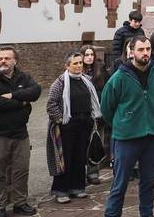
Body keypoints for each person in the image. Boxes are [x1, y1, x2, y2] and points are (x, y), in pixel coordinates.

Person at [101, 36, 154, 217]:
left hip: (152, 137)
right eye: (141, 49)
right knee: (120, 184)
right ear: (131, 52)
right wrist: (124, 122)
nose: (145, 53)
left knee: (148, 183)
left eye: (148, 49)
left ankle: (147, 214)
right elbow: (106, 108)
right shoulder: (119, 78)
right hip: (126, 139)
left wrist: (153, 118)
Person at [0, 46, 41, 217]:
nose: (3, 61)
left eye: (7, 58)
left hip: (20, 133)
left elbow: (36, 92)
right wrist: (22, 101)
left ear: (15, 61)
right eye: (0, 59)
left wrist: (12, 95)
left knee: (21, 170)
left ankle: (20, 204)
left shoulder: (24, 77)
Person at [46, 52, 102, 203]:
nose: (78, 66)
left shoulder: (86, 81)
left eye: (80, 63)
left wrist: (92, 118)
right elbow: (51, 103)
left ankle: (77, 188)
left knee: (80, 157)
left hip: (84, 124)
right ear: (67, 66)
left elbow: (91, 101)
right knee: (66, 159)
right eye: (75, 63)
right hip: (67, 126)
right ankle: (61, 190)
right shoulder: (60, 83)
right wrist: (60, 120)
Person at [80, 45, 109, 185]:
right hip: (84, 114)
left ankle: (93, 173)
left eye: (91, 54)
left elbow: (108, 89)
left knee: (96, 143)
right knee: (82, 145)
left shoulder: (101, 71)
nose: (90, 57)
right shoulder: (78, 71)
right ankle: (80, 173)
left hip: (99, 114)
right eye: (86, 55)